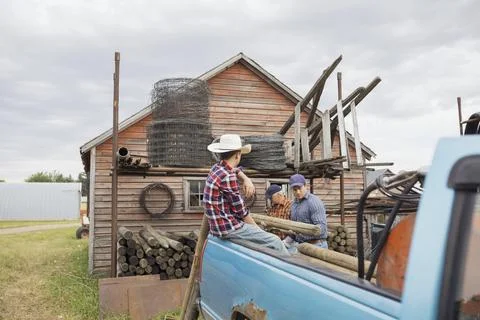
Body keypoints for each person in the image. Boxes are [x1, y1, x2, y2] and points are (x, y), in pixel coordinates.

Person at [203, 134, 289, 255]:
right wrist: (259, 231)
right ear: (238, 155)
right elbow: (241, 212)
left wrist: (245, 178)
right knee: (274, 241)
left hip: (217, 227)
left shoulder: (216, 168)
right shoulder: (228, 176)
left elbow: (235, 169)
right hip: (228, 228)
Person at [283, 174, 328, 253]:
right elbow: (295, 230)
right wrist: (285, 242)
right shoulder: (294, 205)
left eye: (299, 188)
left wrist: (305, 230)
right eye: (295, 189)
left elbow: (322, 228)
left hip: (317, 245)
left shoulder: (314, 202)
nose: (298, 192)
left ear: (305, 186)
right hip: (302, 245)